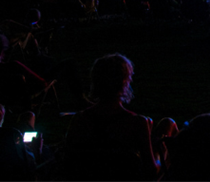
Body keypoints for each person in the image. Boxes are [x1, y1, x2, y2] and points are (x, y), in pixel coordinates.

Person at [63, 53, 165, 181]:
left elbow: (67, 163)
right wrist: (161, 154)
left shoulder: (79, 120)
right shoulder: (137, 123)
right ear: (124, 81)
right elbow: (151, 171)